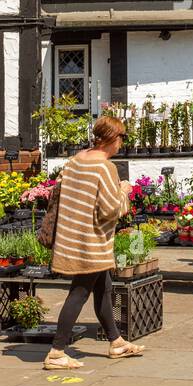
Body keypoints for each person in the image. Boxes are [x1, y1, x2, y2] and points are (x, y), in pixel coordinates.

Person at [44, 116, 145, 370]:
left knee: (104, 288)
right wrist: (124, 190)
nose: (122, 143)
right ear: (111, 139)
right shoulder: (104, 167)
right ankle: (56, 352)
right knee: (79, 292)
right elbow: (110, 210)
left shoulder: (76, 160)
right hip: (91, 242)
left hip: (72, 237)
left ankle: (117, 342)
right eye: (121, 138)